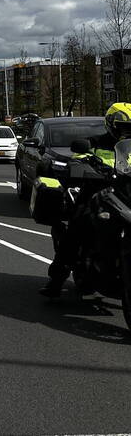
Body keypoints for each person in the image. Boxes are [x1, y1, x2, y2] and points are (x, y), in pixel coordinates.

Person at [39, 102, 131, 297]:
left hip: (124, 193)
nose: (127, 133)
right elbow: (77, 158)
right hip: (95, 192)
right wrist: (82, 164)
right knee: (76, 227)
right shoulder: (94, 143)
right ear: (111, 125)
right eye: (123, 128)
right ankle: (56, 280)